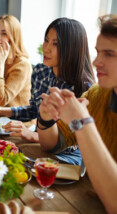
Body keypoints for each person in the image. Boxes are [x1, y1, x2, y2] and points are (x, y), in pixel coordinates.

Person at [37, 14, 117, 213]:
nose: (97, 61)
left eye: (109, 54)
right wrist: (45, 118)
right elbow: (50, 145)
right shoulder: (97, 95)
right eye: (98, 52)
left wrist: (82, 122)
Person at [0, 18, 95, 147]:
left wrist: (34, 135)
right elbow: (34, 110)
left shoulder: (85, 88)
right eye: (46, 40)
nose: (46, 48)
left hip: (65, 154)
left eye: (55, 44)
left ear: (71, 49)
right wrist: (1, 111)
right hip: (39, 143)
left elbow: (77, 136)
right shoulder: (41, 71)